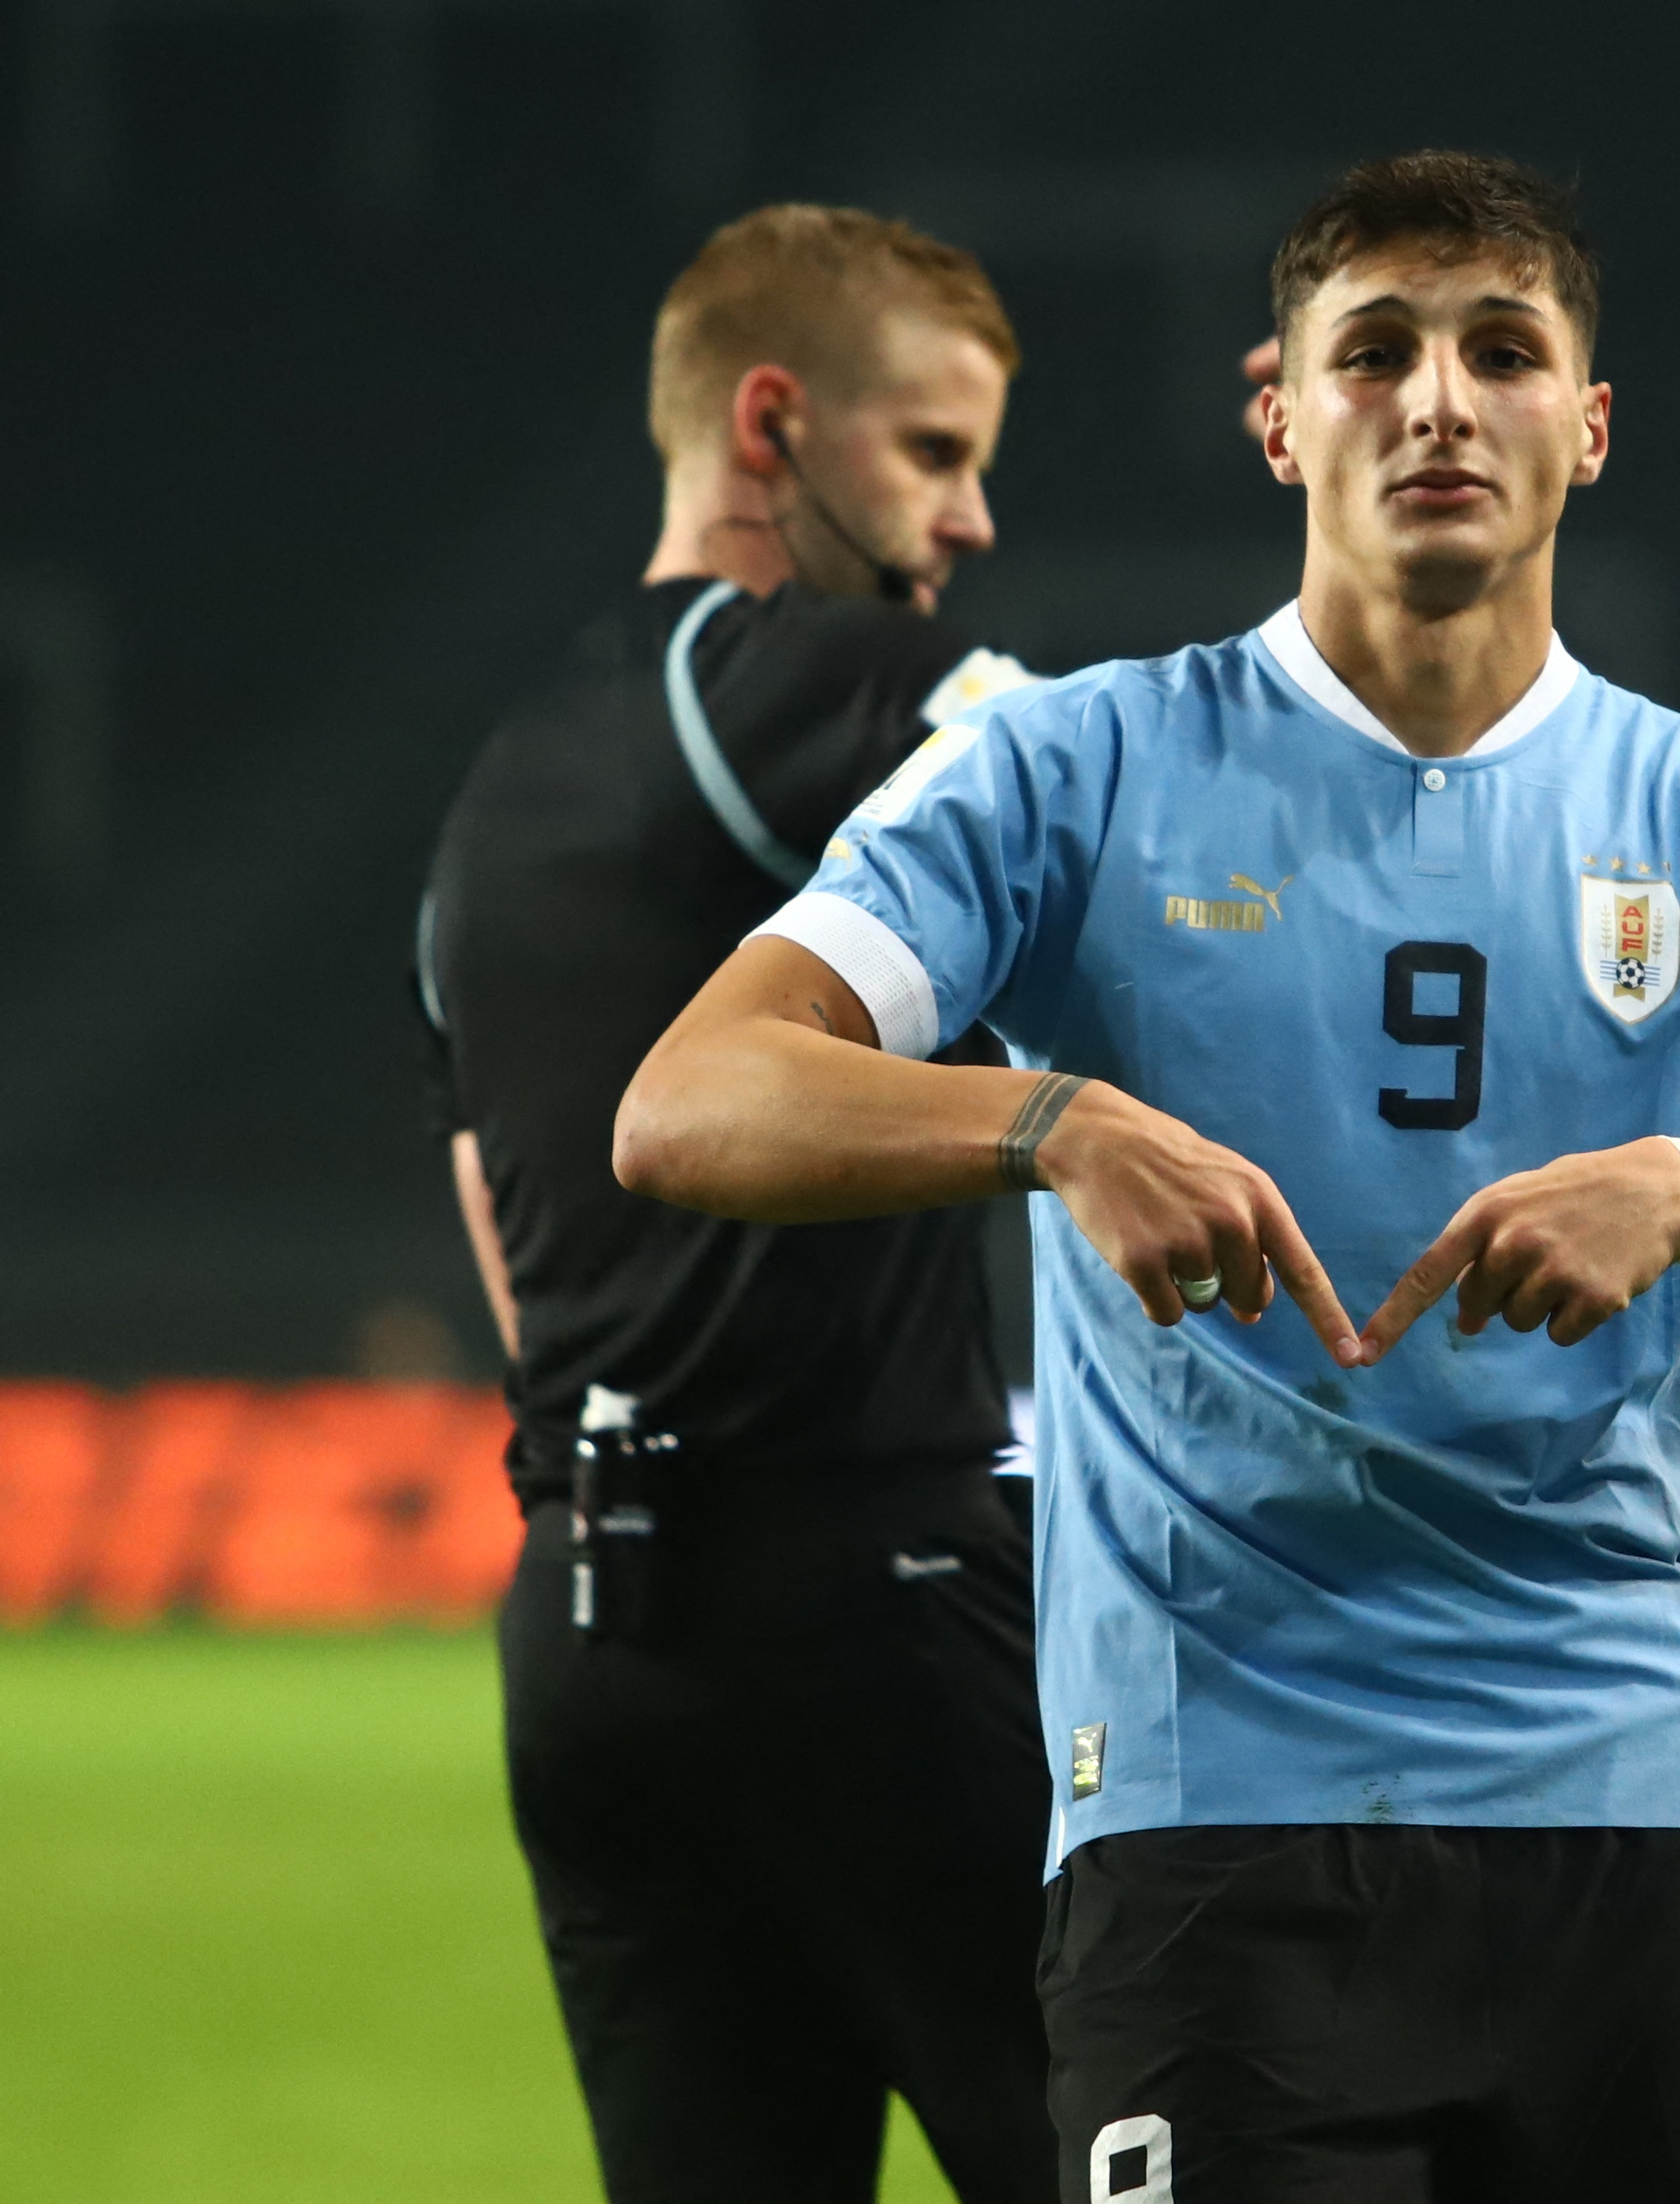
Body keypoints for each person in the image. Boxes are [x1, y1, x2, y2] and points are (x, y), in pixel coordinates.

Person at [611, 152, 1680, 2204]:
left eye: (1502, 352)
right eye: (1378, 352)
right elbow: (691, 1101)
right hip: (1211, 1808)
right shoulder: (1067, 765)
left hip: (1627, 1810)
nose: (1439, 400)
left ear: (1587, 428)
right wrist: (1051, 1124)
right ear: (1282, 413)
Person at [415, 204, 1055, 2203]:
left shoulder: (489, 790)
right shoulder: (819, 683)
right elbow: (1139, 799)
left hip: (592, 1640)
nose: (963, 524)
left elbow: (498, 1231)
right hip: (872, 1607)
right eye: (933, 453)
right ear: (772, 421)